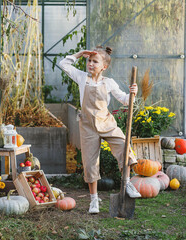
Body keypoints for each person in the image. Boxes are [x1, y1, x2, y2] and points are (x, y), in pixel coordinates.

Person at [59, 46, 141, 214]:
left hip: (106, 123)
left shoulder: (109, 83)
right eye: (89, 60)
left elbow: (125, 100)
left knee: (124, 147)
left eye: (95, 61)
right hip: (87, 126)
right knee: (90, 163)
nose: (90, 63)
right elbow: (64, 64)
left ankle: (127, 183)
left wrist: (133, 93)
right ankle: (94, 200)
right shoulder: (82, 78)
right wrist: (80, 54)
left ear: (104, 66)